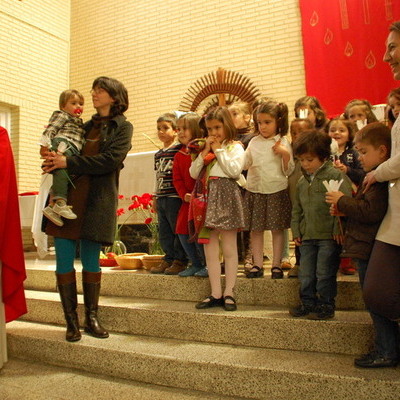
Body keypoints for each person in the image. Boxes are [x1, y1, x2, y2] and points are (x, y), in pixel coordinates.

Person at [42, 76, 133, 342]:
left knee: (92, 261)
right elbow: (62, 150)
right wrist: (53, 161)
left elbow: (109, 161)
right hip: (68, 199)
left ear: (114, 97)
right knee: (63, 259)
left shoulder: (123, 127)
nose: (94, 94)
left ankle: (91, 318)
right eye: (93, 89)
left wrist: (68, 162)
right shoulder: (83, 125)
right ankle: (71, 322)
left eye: (100, 90)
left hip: (97, 200)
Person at [325, 123, 391, 367]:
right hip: (364, 245)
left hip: (370, 246)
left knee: (376, 301)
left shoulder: (380, 178)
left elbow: (372, 211)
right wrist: (344, 210)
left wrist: (343, 201)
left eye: (364, 152)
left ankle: (386, 349)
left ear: (382, 152)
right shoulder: (373, 176)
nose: (359, 157)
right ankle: (385, 347)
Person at [360, 21, 400, 368]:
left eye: (393, 47)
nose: (386, 56)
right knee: (377, 290)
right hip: (396, 218)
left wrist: (377, 172)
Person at [289, 129, 352, 320]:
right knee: (306, 273)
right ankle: (307, 302)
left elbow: (343, 204)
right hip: (307, 235)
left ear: (323, 157)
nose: (305, 164)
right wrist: (296, 230)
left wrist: (337, 228)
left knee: (325, 273)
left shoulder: (335, 176)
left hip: (328, 236)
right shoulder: (301, 181)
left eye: (310, 159)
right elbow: (297, 208)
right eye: (302, 160)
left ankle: (326, 304)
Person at [190, 106, 245, 311]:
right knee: (210, 249)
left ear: (227, 126)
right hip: (206, 199)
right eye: (210, 129)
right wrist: (204, 152)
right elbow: (194, 173)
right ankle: (215, 292)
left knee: (229, 248)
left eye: (217, 127)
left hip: (227, 197)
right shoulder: (206, 149)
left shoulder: (235, 147)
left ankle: (229, 291)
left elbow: (233, 170)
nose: (213, 133)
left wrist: (218, 150)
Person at [244, 101, 294, 279]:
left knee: (277, 229)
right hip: (255, 190)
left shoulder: (282, 141)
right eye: (260, 122)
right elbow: (245, 162)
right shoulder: (253, 142)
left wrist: (285, 153)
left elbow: (289, 170)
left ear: (277, 122)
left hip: (276, 190)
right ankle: (257, 264)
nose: (263, 126)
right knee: (256, 229)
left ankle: (276, 265)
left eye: (267, 122)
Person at [40, 90, 85, 226]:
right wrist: (44, 145)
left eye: (81, 104)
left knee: (66, 175)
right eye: (73, 103)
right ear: (63, 106)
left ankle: (52, 206)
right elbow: (51, 129)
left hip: (73, 149)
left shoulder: (79, 122)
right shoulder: (62, 115)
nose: (78, 106)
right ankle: (60, 202)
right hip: (63, 144)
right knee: (62, 172)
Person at [151, 113, 188, 275]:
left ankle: (180, 259)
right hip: (162, 196)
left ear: (175, 130)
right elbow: (158, 175)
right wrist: (155, 196)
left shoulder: (179, 150)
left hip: (174, 196)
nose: (161, 132)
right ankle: (168, 258)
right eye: (159, 129)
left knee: (176, 229)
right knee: (164, 230)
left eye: (165, 128)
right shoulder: (158, 154)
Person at [172, 113, 207, 277]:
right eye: (178, 129)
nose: (180, 132)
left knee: (201, 231)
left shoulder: (203, 150)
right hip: (187, 200)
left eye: (185, 128)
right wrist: (183, 194)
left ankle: (207, 264)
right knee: (181, 229)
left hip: (202, 200)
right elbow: (177, 178)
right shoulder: (179, 155)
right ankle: (195, 262)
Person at [228, 101, 255, 271]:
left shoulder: (252, 138)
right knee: (233, 222)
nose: (230, 119)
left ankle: (249, 255)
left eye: (234, 114)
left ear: (247, 117)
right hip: (231, 186)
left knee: (247, 222)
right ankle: (234, 254)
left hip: (247, 184)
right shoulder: (229, 138)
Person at [287, 118, 314, 278]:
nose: (297, 136)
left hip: (312, 206)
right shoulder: (291, 156)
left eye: (301, 133)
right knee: (297, 234)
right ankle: (298, 263)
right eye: (293, 133)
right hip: (296, 204)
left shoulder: (314, 158)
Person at [326, 118, 364, 186]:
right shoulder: (324, 154)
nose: (336, 132)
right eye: (332, 130)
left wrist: (347, 170)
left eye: (342, 130)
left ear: (349, 136)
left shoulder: (354, 153)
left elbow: (363, 173)